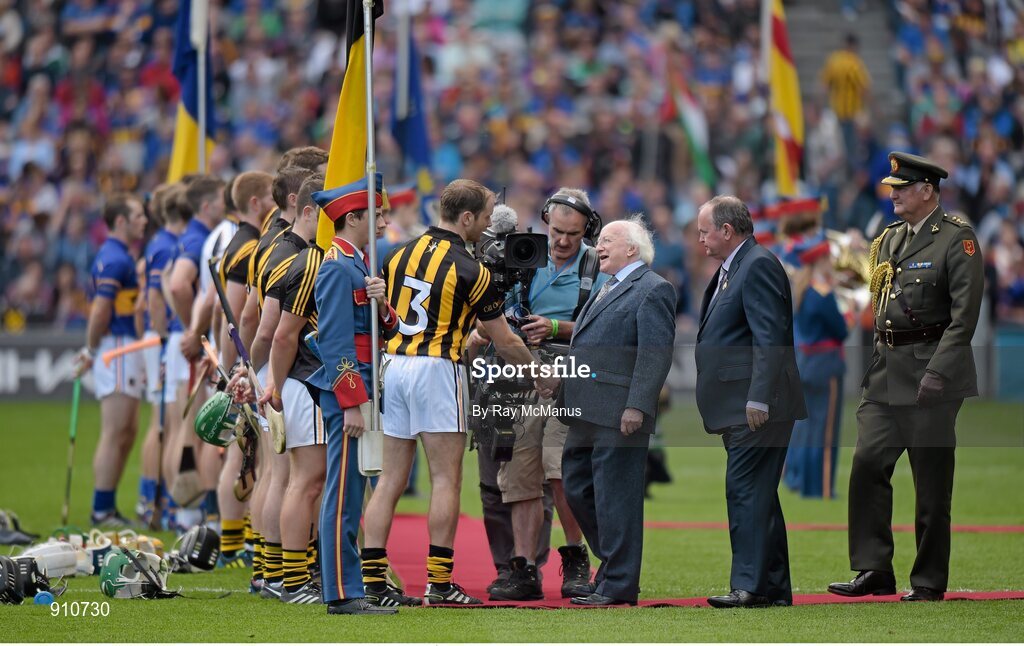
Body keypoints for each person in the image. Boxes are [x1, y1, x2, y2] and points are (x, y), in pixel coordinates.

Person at [360, 179, 557, 606]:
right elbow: (503, 339)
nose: (488, 226)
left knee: (390, 478)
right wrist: (537, 373)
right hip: (437, 369)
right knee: (446, 479)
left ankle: (372, 581)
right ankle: (439, 582)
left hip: (395, 365)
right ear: (466, 218)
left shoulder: (396, 253)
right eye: (485, 217)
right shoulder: (472, 269)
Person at [829, 152, 984, 602]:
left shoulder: (957, 240)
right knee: (866, 465)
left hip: (931, 375)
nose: (892, 194)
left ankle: (929, 579)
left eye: (901, 187)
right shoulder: (891, 239)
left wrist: (938, 371)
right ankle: (874, 568)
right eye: (892, 187)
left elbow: (964, 316)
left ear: (927, 191)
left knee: (931, 483)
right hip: (886, 372)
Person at [480, 188, 609, 601]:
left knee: (560, 471)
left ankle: (574, 557)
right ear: (545, 222)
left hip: (569, 373)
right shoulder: (523, 256)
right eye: (556, 230)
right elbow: (491, 315)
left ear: (587, 229)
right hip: (519, 371)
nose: (563, 241)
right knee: (519, 474)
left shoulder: (598, 265)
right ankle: (523, 567)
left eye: (573, 233)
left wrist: (554, 328)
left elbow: (607, 324)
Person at [694, 195, 806, 609]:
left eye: (704, 231)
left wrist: (759, 397)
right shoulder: (736, 265)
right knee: (758, 494)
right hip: (741, 404)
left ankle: (750, 587)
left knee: (744, 491)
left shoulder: (756, 265)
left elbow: (770, 337)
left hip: (757, 406)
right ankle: (772, 587)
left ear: (727, 230)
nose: (699, 239)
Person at [558, 216, 676, 607]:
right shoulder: (607, 286)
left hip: (619, 411)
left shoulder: (653, 289)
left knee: (615, 497)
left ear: (632, 248)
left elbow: (654, 355)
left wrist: (638, 405)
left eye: (607, 240)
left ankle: (619, 583)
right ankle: (612, 568)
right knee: (577, 486)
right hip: (587, 411)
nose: (598, 247)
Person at [304, 174, 400, 615]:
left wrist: (383, 305)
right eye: (376, 214)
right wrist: (352, 400)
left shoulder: (358, 265)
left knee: (353, 490)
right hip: (350, 390)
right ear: (354, 217)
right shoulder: (337, 267)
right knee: (343, 494)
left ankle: (348, 585)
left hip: (363, 384)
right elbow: (336, 341)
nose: (383, 221)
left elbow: (385, 330)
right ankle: (343, 592)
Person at [258, 173, 329, 604]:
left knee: (291, 479)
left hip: (289, 378)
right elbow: (275, 332)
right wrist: (268, 381)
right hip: (301, 378)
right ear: (307, 209)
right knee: (301, 480)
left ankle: (279, 574)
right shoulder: (302, 258)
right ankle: (291, 578)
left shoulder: (279, 249)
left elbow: (265, 325)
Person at [213, 170, 275, 567]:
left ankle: (241, 541)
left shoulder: (242, 243)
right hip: (244, 362)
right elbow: (234, 316)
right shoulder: (245, 247)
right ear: (255, 202)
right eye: (270, 195)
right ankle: (235, 545)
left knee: (251, 457)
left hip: (240, 360)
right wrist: (233, 367)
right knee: (243, 457)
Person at [74, 193, 148, 527]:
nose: (143, 220)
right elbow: (101, 309)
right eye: (137, 216)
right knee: (115, 429)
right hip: (117, 347)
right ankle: (101, 508)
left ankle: (108, 505)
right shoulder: (116, 258)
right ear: (120, 222)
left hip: (123, 347)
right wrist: (90, 351)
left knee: (127, 430)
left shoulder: (118, 255)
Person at [783, 236, 849, 499]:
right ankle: (820, 488)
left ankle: (806, 484)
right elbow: (840, 330)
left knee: (810, 429)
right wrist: (850, 313)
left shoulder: (803, 289)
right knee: (826, 430)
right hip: (826, 365)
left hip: (807, 364)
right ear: (820, 260)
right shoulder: (822, 293)